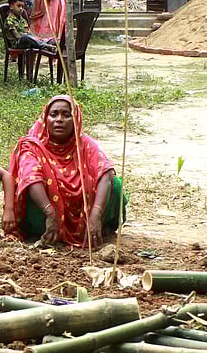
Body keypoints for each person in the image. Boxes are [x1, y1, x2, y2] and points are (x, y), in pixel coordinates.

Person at [10, 95, 127, 247]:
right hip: (45, 217)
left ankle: (102, 229)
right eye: (54, 115)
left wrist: (96, 215)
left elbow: (106, 173)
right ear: (45, 118)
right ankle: (41, 233)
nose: (59, 119)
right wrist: (50, 213)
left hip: (84, 217)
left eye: (67, 115)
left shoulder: (85, 145)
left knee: (115, 184)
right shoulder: (31, 146)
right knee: (30, 189)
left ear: (76, 120)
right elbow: (31, 178)